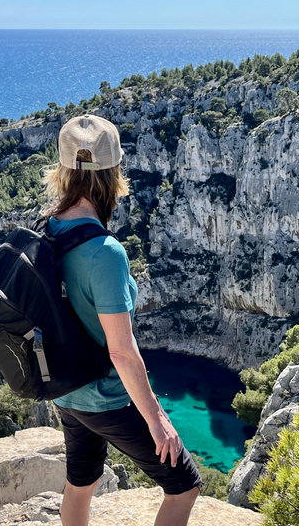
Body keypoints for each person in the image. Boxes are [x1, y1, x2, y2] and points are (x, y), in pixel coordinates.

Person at [42, 114, 201, 525]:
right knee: (184, 486)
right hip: (104, 398)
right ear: (115, 173)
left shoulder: (50, 230)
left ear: (62, 170)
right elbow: (122, 351)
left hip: (65, 391)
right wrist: (157, 420)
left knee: (81, 483)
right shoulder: (105, 252)